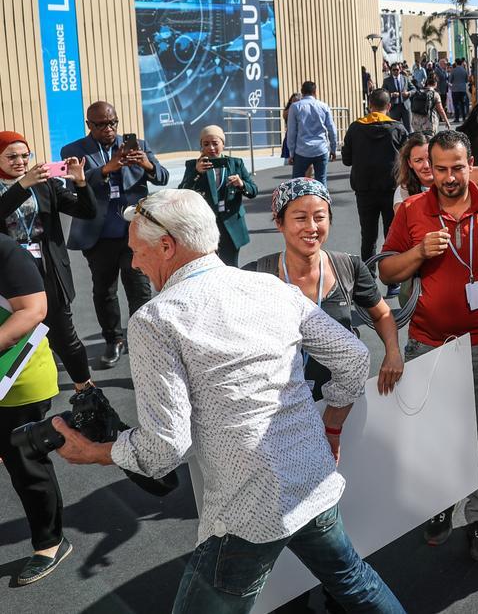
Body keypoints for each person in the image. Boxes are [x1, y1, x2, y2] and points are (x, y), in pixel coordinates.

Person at [50, 189, 404, 612]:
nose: (135, 262)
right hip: (312, 476)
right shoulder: (270, 288)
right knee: (353, 581)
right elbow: (353, 355)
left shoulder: (156, 319)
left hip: (245, 510)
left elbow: (166, 449)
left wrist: (95, 452)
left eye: (137, 251)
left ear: (167, 246)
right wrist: (330, 420)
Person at [378, 130, 478, 562]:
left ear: (472, 166)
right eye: (441, 169)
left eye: (458, 168)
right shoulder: (412, 210)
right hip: (428, 346)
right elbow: (387, 272)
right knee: (436, 437)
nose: (449, 178)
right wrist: (418, 253)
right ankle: (440, 505)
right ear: (429, 167)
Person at [248, 178, 404, 399]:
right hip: (278, 405)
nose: (311, 227)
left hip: (340, 401)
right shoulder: (256, 275)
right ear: (279, 222)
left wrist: (393, 352)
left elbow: (382, 314)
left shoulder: (348, 267)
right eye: (300, 218)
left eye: (320, 217)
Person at [62, 101, 168, 369]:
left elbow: (163, 177)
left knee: (139, 289)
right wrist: (106, 169)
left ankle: (142, 338)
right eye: (101, 125)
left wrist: (147, 164)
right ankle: (113, 340)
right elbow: (73, 186)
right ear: (89, 125)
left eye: (113, 123)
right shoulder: (73, 150)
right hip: (99, 235)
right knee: (104, 291)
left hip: (135, 233)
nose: (109, 129)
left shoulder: (137, 145)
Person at [0, 233, 73, 586]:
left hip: (15, 378)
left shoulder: (4, 249)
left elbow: (33, 310)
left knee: (25, 464)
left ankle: (50, 543)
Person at [0, 133, 96, 391]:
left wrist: (81, 182)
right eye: (11, 157)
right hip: (7, 277)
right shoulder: (24, 183)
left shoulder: (45, 184)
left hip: (48, 271)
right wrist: (22, 186)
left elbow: (87, 212)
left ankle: (85, 390)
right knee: (14, 337)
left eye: (24, 156)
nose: (20, 161)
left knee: (65, 337)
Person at [342, 88, 409, 269]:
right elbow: (408, 160)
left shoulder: (355, 128)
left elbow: (346, 160)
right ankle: (394, 278)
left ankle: (368, 277)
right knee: (392, 234)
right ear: (389, 106)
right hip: (391, 190)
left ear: (369, 106)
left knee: (368, 236)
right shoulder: (398, 129)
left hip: (364, 190)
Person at [178, 125, 257, 266]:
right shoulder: (193, 165)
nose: (211, 148)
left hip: (230, 223)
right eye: (206, 144)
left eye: (215, 143)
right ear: (201, 146)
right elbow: (183, 192)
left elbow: (253, 191)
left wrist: (241, 184)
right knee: (208, 266)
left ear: (223, 144)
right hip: (206, 225)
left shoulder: (236, 163)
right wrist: (196, 173)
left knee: (231, 265)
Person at [285, 81, 338, 187]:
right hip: (321, 149)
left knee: (297, 183)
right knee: (321, 181)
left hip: (302, 150)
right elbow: (332, 129)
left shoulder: (295, 107)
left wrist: (291, 152)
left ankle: (298, 203)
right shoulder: (324, 106)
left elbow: (291, 131)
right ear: (315, 92)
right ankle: (323, 203)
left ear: (302, 92)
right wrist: (333, 148)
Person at [393, 131, 433, 208]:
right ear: (410, 163)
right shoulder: (403, 191)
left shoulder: (451, 185)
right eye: (418, 160)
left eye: (430, 159)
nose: (426, 166)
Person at [382, 63, 412, 131]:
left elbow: (414, 89)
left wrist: (408, 93)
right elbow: (383, 93)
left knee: (408, 127)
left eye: (397, 69)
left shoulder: (405, 78)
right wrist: (391, 94)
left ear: (400, 69)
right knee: (394, 127)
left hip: (405, 106)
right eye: (394, 70)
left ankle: (409, 141)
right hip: (394, 107)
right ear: (391, 70)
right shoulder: (387, 81)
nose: (396, 71)